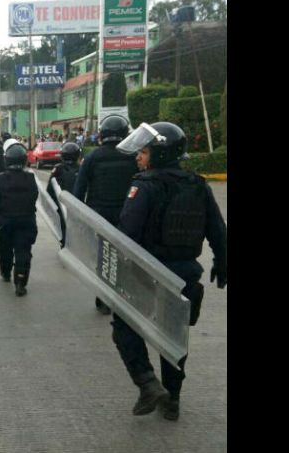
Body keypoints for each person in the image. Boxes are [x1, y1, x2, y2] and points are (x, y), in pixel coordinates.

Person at [112, 121, 227, 421]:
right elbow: (218, 231)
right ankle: (172, 400)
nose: (138, 156)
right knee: (174, 338)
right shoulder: (197, 184)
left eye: (144, 151)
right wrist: (222, 262)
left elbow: (127, 234)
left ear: (159, 154)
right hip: (186, 277)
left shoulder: (144, 185)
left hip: (147, 275)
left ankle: (148, 383)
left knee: (124, 325)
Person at [72, 115, 139, 315]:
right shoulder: (134, 156)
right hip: (127, 214)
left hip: (99, 216)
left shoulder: (92, 157)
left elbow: (79, 189)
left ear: (102, 134)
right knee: (126, 256)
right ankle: (124, 296)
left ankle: (103, 297)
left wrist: (78, 215)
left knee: (104, 256)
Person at [0, 141, 38, 296]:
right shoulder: (30, 178)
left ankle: (6, 272)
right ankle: (20, 282)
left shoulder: (1, 179)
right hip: (26, 220)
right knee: (23, 251)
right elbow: (34, 197)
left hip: (5, 221)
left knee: (4, 248)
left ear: (6, 160)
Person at [46, 142, 81, 247]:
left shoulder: (58, 168)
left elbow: (50, 188)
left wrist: (54, 204)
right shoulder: (81, 168)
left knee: (64, 226)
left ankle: (65, 245)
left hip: (62, 204)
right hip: (79, 204)